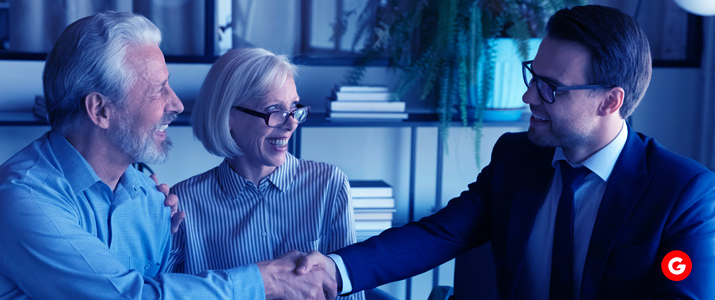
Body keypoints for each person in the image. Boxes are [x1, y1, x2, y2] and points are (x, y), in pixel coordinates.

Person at [296, 4, 715, 299]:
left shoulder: (684, 192)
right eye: (533, 75)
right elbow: (439, 234)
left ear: (609, 101)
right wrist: (336, 270)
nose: (528, 95)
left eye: (550, 87)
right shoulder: (517, 158)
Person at [0, 12, 335, 300]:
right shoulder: (18, 199)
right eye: (157, 90)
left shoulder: (151, 202)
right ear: (100, 110)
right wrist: (263, 282)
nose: (176, 104)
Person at [164, 48, 364, 300]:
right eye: (274, 110)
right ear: (227, 116)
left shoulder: (329, 185)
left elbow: (350, 295)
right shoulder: (184, 201)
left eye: (293, 108)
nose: (291, 123)